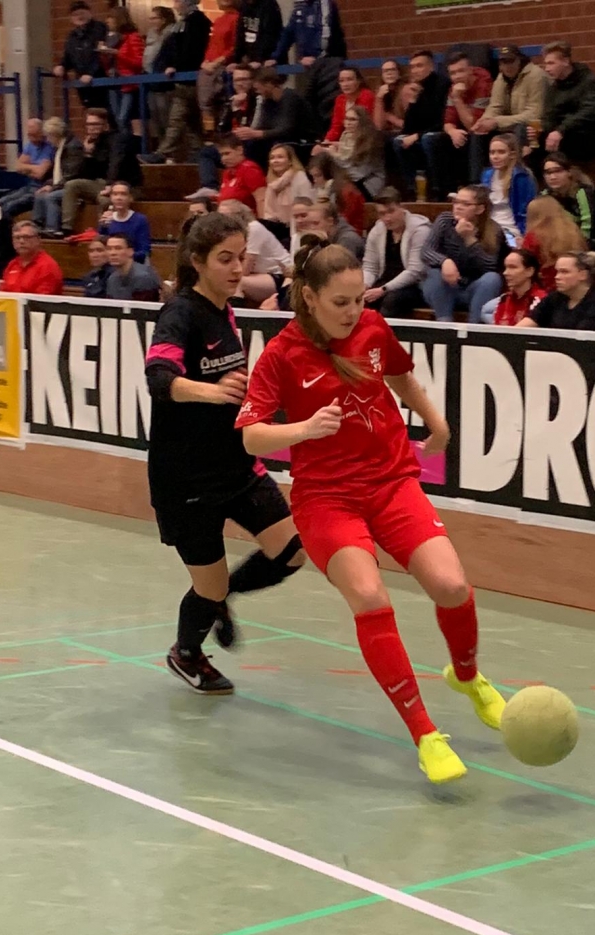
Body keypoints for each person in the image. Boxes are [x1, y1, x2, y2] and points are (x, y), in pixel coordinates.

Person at [236, 237, 506, 783]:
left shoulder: (373, 328)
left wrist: (437, 422)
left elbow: (400, 375)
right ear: (310, 298)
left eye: (359, 299)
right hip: (326, 500)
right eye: (341, 302)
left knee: (452, 586)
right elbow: (251, 436)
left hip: (391, 483)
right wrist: (304, 430)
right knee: (369, 595)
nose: (353, 311)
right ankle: (426, 735)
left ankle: (467, 676)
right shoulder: (282, 355)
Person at [145, 212, 305, 694]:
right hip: (186, 479)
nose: (237, 269)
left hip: (236, 466)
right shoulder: (180, 314)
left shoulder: (225, 311)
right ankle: (186, 652)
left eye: (240, 258)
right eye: (225, 259)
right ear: (198, 262)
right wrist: (213, 392)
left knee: (293, 551)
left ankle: (220, 598)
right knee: (207, 585)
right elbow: (159, 379)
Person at [139, 0, 212, 165]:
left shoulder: (196, 22)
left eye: (178, 1)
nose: (175, 5)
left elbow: (191, 49)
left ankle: (163, 153)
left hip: (190, 77)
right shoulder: (184, 23)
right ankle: (198, 152)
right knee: (192, 121)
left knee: (176, 119)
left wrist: (176, 66)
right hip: (185, 78)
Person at [421, 184, 507, 322]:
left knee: (492, 278)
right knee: (435, 273)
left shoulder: (493, 230)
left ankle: (474, 327)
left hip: (473, 289)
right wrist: (445, 261)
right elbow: (426, 251)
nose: (458, 207)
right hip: (443, 288)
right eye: (456, 202)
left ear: (480, 209)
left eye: (465, 204)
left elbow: (490, 266)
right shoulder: (445, 220)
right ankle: (445, 324)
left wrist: (469, 240)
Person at [422, 51, 492, 195]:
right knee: (431, 139)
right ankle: (443, 191)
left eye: (461, 71)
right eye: (453, 73)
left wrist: (458, 99)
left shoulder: (484, 85)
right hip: (465, 132)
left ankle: (475, 188)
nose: (457, 77)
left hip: (485, 132)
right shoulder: (453, 89)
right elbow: (447, 122)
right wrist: (452, 132)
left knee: (476, 136)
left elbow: (473, 125)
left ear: (471, 70)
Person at [536, 41, 595, 169]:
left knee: (564, 142)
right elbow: (549, 114)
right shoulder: (554, 87)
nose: (547, 69)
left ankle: (569, 178)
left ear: (566, 61)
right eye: (546, 64)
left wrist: (560, 131)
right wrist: (541, 129)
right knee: (533, 146)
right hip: (563, 134)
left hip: (590, 137)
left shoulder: (589, 82)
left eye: (551, 63)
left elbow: (589, 112)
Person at [541, 152, 595, 263]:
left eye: (558, 171)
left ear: (569, 172)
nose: (552, 177)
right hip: (568, 240)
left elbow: (589, 225)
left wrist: (577, 246)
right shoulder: (545, 196)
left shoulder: (584, 193)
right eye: (548, 173)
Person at [363, 187, 430, 318]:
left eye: (391, 211)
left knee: (391, 301)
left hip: (414, 285)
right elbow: (370, 267)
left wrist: (383, 289)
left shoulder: (420, 230)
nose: (387, 218)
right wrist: (364, 285)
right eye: (382, 214)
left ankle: (385, 331)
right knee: (361, 300)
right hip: (384, 281)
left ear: (402, 207)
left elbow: (415, 272)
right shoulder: (377, 231)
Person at [230, 68, 317, 167]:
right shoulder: (268, 101)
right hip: (280, 140)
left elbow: (286, 129)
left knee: (265, 146)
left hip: (302, 141)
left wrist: (255, 133)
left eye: (258, 88)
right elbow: (264, 126)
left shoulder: (290, 97)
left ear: (268, 84)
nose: (258, 92)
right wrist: (247, 133)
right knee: (249, 144)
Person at [392, 49, 449, 199]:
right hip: (423, 134)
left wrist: (417, 136)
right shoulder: (417, 88)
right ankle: (413, 189)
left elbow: (442, 121)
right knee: (398, 141)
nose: (415, 70)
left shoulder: (443, 85)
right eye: (412, 67)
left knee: (428, 139)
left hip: (442, 133)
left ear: (431, 67)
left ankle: (437, 189)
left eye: (419, 66)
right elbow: (407, 128)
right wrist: (412, 102)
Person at [518, 252, 595, 332]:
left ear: (583, 275)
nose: (557, 277)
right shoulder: (553, 299)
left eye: (564, 272)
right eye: (557, 272)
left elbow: (579, 339)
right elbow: (528, 323)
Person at [472, 43, 547, 148]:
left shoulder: (536, 75)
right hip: (509, 124)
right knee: (479, 133)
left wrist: (497, 122)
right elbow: (495, 106)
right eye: (503, 63)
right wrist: (484, 121)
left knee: (521, 128)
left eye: (510, 61)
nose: (507, 66)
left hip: (534, 126)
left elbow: (535, 114)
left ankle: (520, 159)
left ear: (519, 60)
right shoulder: (501, 78)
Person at [220, 201, 290, 304]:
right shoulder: (233, 233)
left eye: (225, 216)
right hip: (259, 274)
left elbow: (246, 267)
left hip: (279, 275)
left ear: (239, 216)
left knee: (237, 282)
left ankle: (235, 312)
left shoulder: (253, 228)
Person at [60, 108, 113, 236]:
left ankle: (103, 233)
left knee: (104, 200)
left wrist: (92, 155)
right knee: (71, 185)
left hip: (111, 184)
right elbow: (87, 174)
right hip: (96, 183)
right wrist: (87, 154)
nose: (91, 128)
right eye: (89, 124)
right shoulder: (89, 143)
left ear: (105, 125)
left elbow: (109, 168)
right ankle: (67, 228)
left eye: (95, 124)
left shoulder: (113, 142)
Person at [31, 118, 84, 237]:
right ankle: (37, 226)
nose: (48, 140)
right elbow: (59, 173)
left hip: (74, 187)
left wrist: (53, 187)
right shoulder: (60, 147)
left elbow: (72, 174)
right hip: (62, 184)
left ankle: (53, 229)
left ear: (55, 134)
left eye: (49, 136)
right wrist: (49, 184)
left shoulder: (73, 147)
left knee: (51, 196)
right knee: (39, 194)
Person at [479, 133, 537, 244]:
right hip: (489, 227)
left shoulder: (521, 177)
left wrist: (525, 237)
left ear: (512, 155)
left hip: (511, 230)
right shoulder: (487, 174)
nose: (495, 157)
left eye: (501, 152)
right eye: (492, 152)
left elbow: (525, 212)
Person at [521, 194, 587, 291]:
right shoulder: (574, 232)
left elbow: (524, 265)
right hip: (573, 288)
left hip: (544, 289)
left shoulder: (533, 237)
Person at [54, 0, 108, 112]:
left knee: (105, 111)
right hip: (83, 82)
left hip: (101, 80)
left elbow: (102, 54)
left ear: (89, 13)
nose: (79, 17)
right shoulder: (72, 36)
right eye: (75, 14)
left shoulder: (100, 29)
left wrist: (91, 73)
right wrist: (62, 66)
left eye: (82, 13)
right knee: (90, 111)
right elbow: (69, 56)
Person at [98, 7, 144, 136]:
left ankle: (130, 144)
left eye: (111, 18)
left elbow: (139, 62)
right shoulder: (110, 38)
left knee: (123, 118)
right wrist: (104, 54)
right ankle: (125, 143)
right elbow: (107, 64)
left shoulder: (132, 37)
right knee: (118, 119)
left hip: (128, 83)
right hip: (113, 81)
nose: (107, 21)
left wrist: (117, 53)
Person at [0, 118, 55, 219]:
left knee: (9, 206)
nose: (31, 138)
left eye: (34, 135)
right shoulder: (30, 145)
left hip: (41, 188)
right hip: (29, 185)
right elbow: (18, 167)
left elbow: (40, 174)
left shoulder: (49, 147)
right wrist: (34, 168)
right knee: (0, 203)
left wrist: (27, 169)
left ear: (42, 133)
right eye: (29, 135)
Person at [196, 0, 239, 130]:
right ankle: (213, 132)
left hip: (224, 65)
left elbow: (235, 45)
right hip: (211, 65)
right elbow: (212, 44)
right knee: (206, 102)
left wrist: (219, 61)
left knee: (224, 102)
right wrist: (205, 61)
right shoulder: (219, 20)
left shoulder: (237, 18)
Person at [273, 0, 346, 69]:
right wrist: (275, 57)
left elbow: (325, 35)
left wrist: (314, 56)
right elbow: (289, 33)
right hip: (307, 63)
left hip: (325, 62)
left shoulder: (325, 6)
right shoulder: (300, 6)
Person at [331, 105, 385, 199]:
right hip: (350, 180)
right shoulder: (346, 137)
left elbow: (358, 174)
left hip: (367, 184)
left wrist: (334, 156)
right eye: (346, 119)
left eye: (352, 119)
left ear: (362, 122)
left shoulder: (370, 141)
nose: (348, 123)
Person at [0, 220, 63, 296]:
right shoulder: (13, 264)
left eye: (26, 237)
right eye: (17, 238)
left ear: (38, 239)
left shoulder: (47, 266)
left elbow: (41, 300)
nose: (21, 241)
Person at [308, 152, 365, 234]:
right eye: (313, 176)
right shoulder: (325, 191)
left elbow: (344, 221)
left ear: (329, 173)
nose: (315, 180)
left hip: (348, 234)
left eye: (318, 176)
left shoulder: (347, 192)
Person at [263, 144, 314, 235]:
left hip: (300, 226)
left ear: (290, 161)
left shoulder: (299, 176)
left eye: (280, 157)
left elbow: (308, 206)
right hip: (280, 229)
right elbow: (268, 212)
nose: (275, 161)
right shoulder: (272, 183)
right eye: (272, 158)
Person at [144, 6, 177, 143]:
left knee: (167, 118)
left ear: (164, 19)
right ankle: (162, 147)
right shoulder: (151, 35)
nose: (151, 21)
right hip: (151, 79)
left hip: (166, 83)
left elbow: (171, 55)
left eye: (154, 18)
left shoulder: (173, 33)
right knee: (156, 119)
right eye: (150, 18)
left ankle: (172, 149)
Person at [490, 249, 547, 326]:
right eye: (505, 267)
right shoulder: (503, 299)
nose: (505, 273)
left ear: (529, 271)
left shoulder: (540, 300)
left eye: (512, 267)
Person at [322, 65, 376, 146]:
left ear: (358, 81)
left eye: (349, 79)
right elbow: (336, 126)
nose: (345, 84)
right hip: (346, 139)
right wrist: (326, 141)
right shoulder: (340, 99)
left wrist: (339, 144)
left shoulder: (367, 95)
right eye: (342, 81)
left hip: (365, 139)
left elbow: (365, 125)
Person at [98, 182, 151, 262]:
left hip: (133, 264)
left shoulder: (140, 220)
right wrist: (103, 228)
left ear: (130, 198)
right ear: (111, 197)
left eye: (123, 194)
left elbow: (145, 252)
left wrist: (123, 255)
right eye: (115, 194)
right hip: (110, 264)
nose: (119, 198)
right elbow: (101, 248)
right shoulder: (107, 219)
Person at [105, 233, 161, 301]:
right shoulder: (112, 279)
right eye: (109, 249)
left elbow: (143, 306)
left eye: (118, 248)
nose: (112, 253)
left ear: (130, 251)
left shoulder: (143, 277)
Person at [233, 0, 282, 67]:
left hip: (268, 60)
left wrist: (259, 59)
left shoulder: (269, 5)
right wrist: (236, 60)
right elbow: (240, 35)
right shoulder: (245, 6)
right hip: (252, 59)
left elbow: (269, 36)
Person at [373, 59, 406, 135]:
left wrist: (389, 117)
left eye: (393, 70)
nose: (389, 73)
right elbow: (379, 126)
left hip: (405, 133)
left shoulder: (406, 90)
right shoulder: (380, 92)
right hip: (388, 133)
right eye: (385, 71)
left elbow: (409, 125)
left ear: (399, 73)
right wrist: (379, 99)